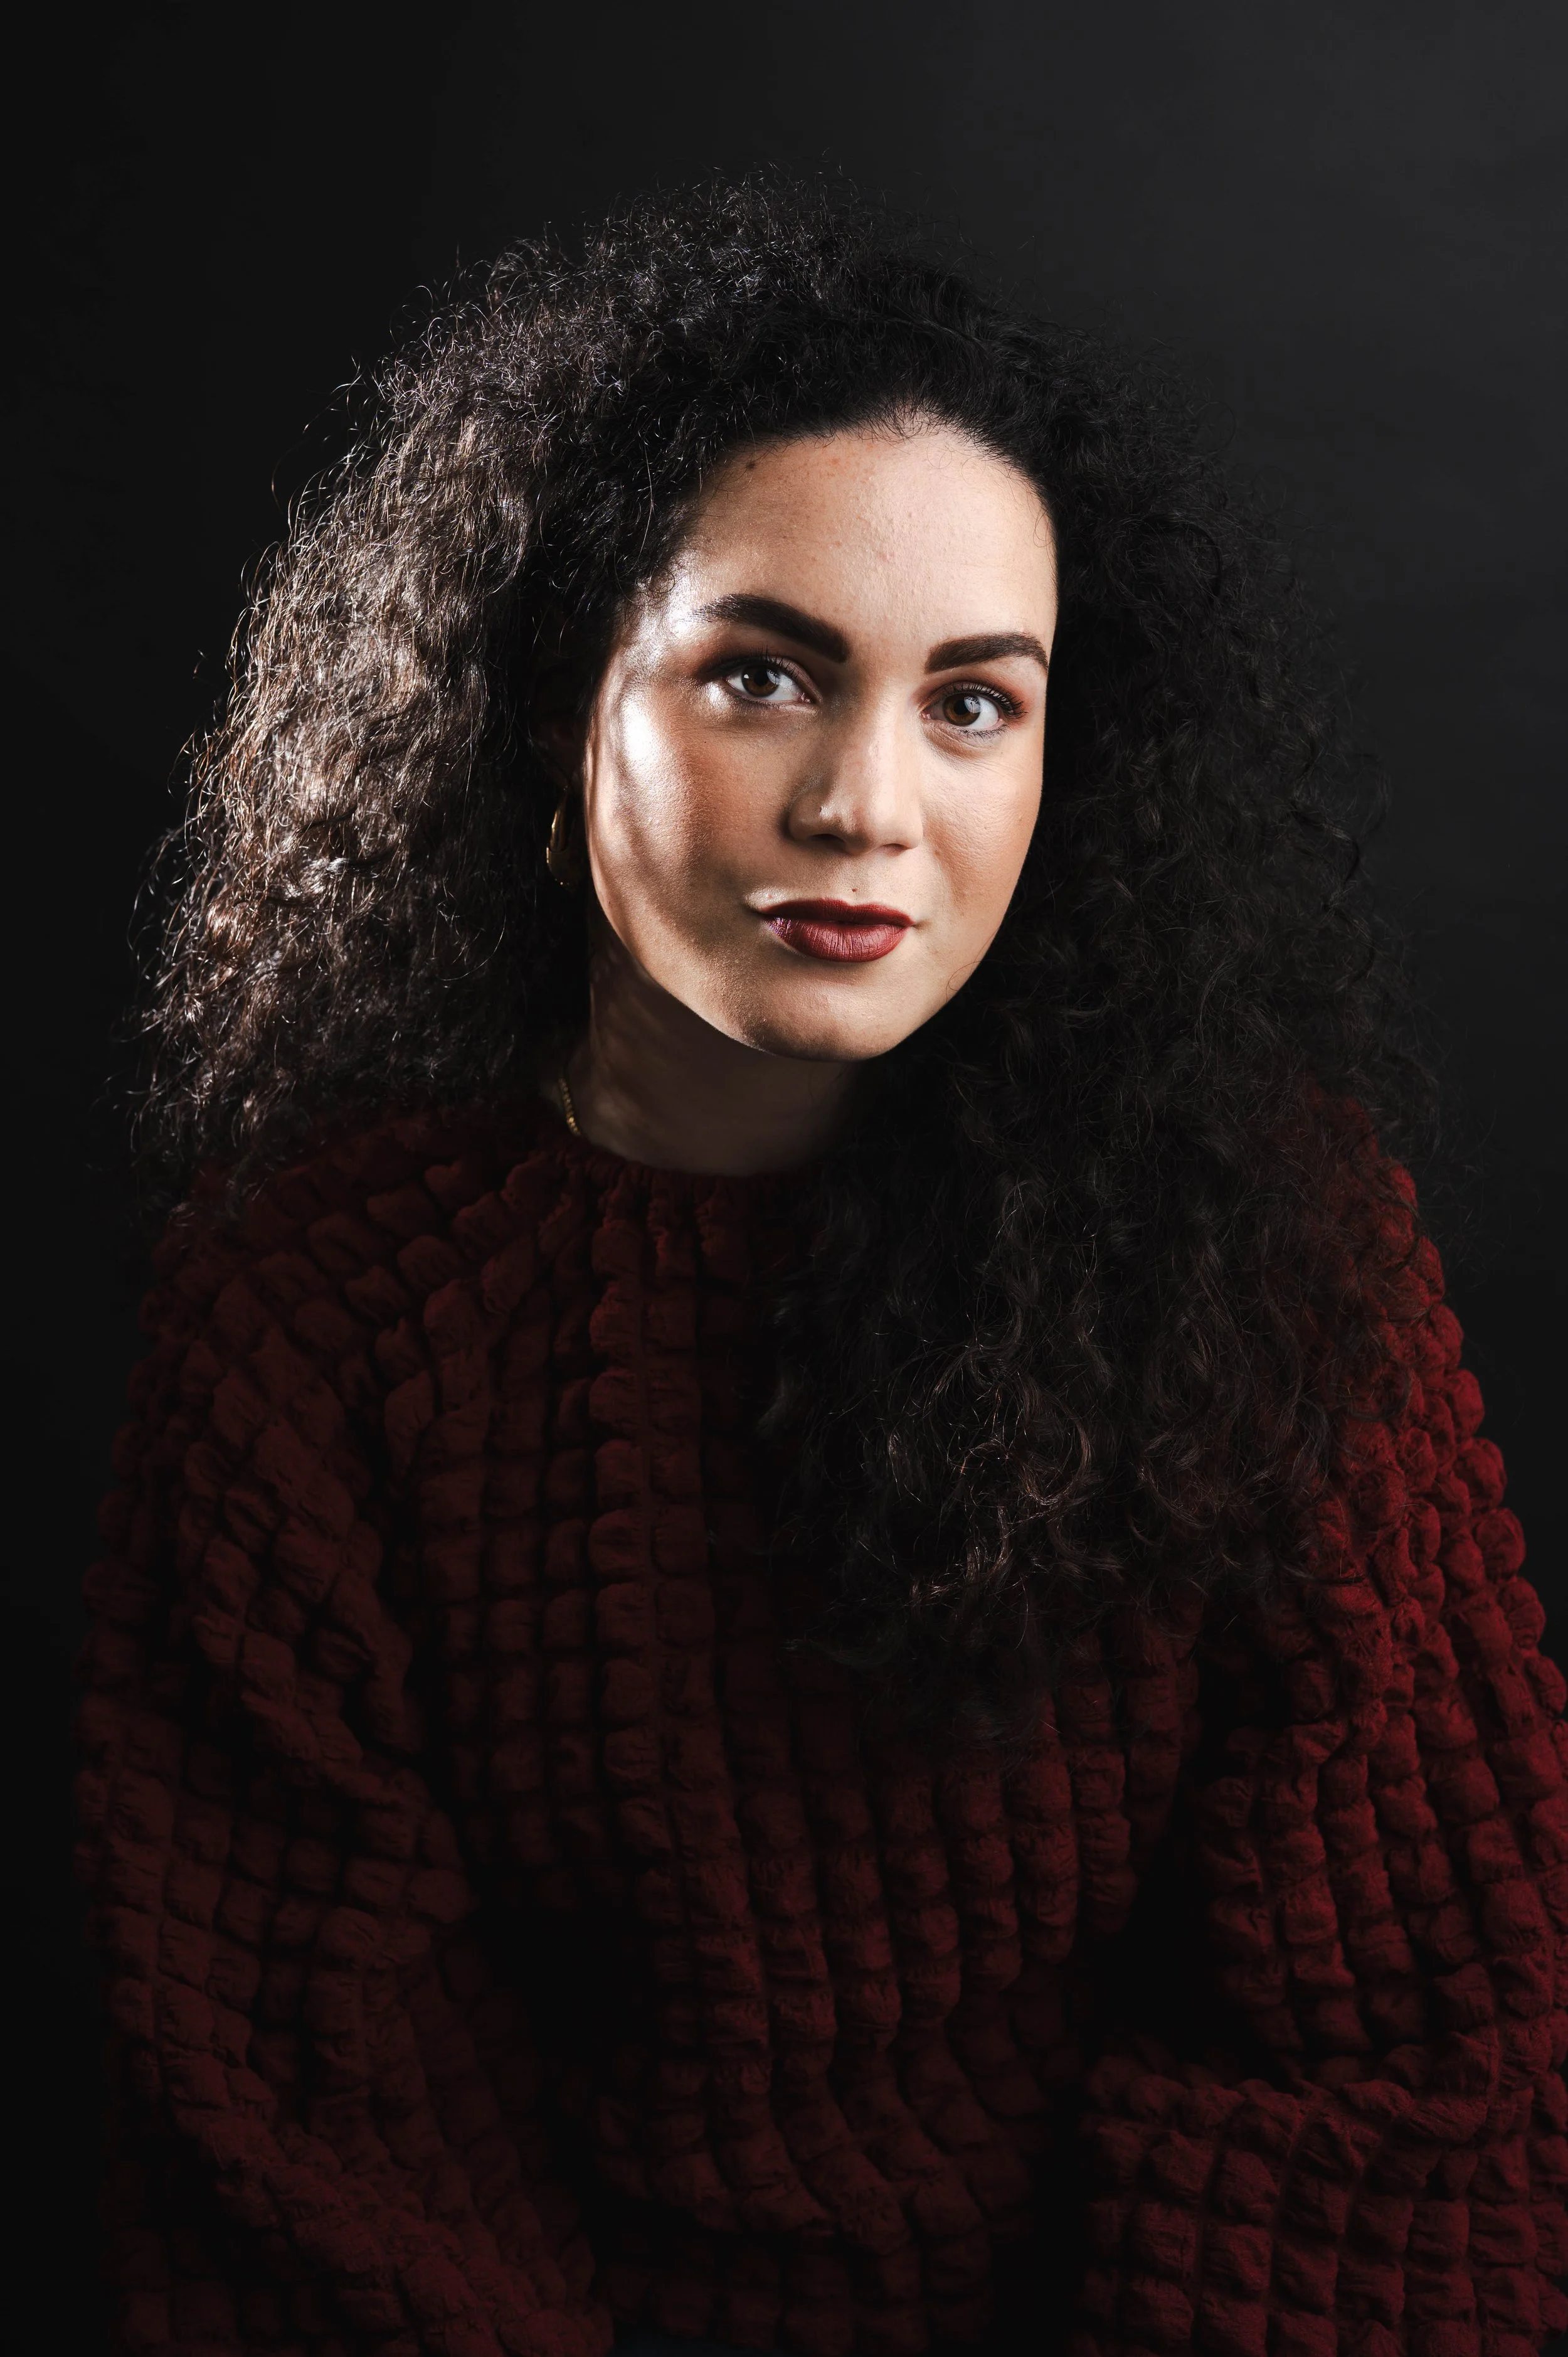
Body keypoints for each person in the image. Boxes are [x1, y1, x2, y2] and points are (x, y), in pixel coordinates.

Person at [77, 181, 1568, 2357]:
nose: (866, 802)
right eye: (760, 676)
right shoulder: (314, 1323)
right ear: (556, 684)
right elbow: (312, 2120)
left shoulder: (1272, 1246)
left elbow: (1419, 2034)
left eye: (975, 704)